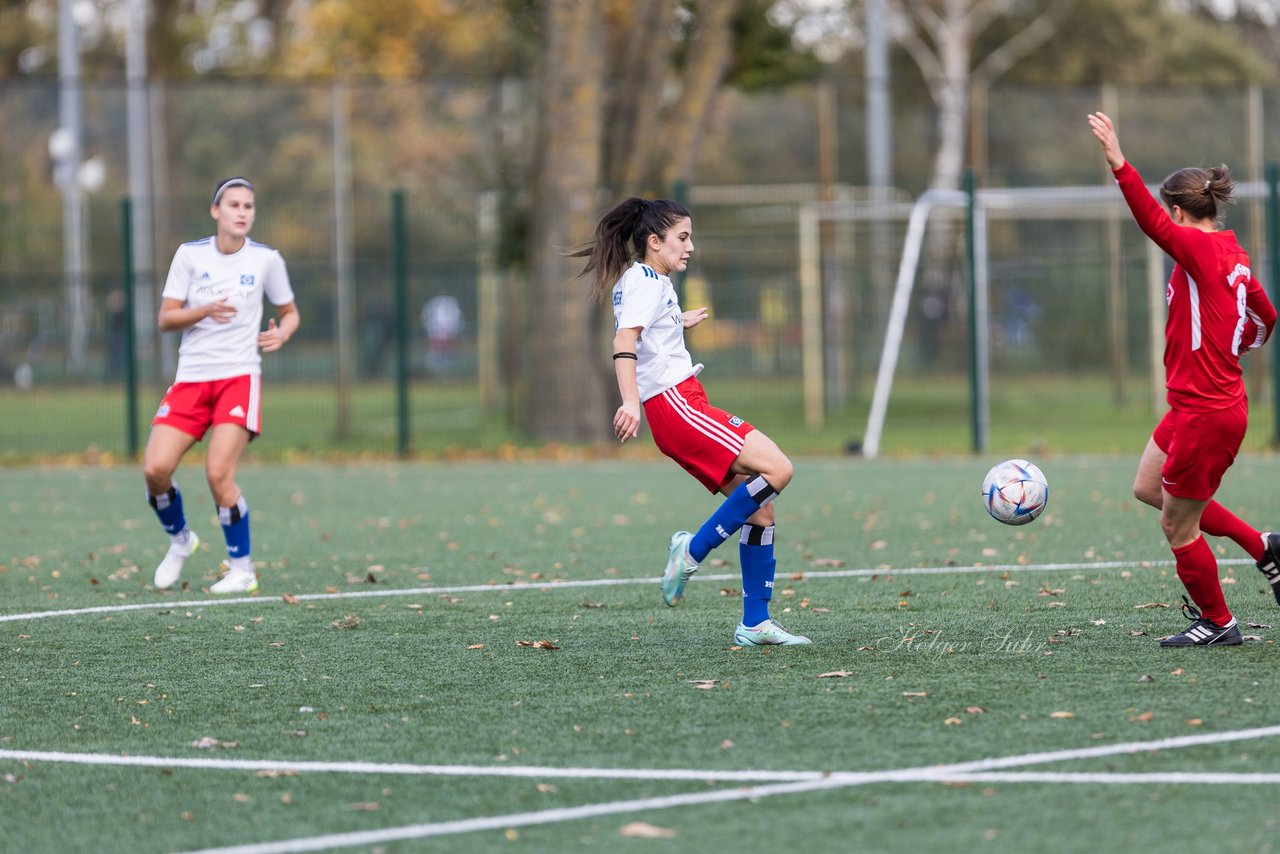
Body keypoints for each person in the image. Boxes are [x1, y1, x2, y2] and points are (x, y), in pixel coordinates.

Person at [574, 197, 809, 646]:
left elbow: (644, 332)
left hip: (679, 405)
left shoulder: (646, 280)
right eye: (682, 238)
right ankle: (692, 549)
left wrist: (678, 320)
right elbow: (625, 340)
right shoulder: (645, 280)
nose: (691, 247)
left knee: (760, 510)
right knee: (779, 469)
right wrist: (629, 402)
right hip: (677, 405)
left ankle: (755, 624)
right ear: (654, 241)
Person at [1088, 112, 1278, 647]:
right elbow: (1266, 318)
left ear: (1179, 211)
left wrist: (1120, 164)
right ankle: (1265, 547)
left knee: (1178, 525)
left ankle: (1220, 624)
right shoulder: (1230, 253)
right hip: (1192, 404)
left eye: (1171, 216)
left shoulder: (1196, 248)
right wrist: (1235, 344)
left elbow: (1152, 223)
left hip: (1207, 411)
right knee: (1148, 487)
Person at [143, 176, 299, 593]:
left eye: (248, 206)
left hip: (238, 377)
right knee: (155, 470)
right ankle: (180, 542)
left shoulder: (267, 260)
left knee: (217, 473)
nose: (242, 212)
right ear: (216, 211)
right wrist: (206, 309)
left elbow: (290, 313)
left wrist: (281, 333)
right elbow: (165, 318)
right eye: (234, 205)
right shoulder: (190, 256)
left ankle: (242, 568)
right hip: (192, 379)